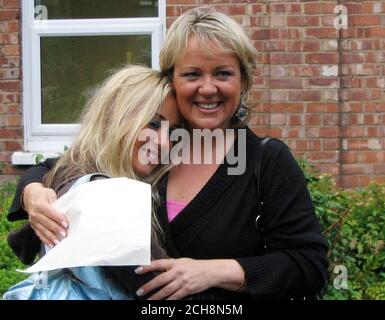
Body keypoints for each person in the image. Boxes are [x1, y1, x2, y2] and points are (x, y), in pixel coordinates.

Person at [7, 8, 328, 300]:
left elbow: (309, 265)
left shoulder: (263, 160)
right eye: (192, 74)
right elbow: (66, 166)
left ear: (243, 80)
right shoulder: (156, 145)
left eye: (222, 73)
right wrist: (33, 194)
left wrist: (216, 271)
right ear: (172, 79)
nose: (207, 87)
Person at [4, 64, 181, 299]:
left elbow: (47, 165)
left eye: (173, 132)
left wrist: (31, 188)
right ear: (114, 116)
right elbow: (161, 288)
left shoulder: (76, 166)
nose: (164, 143)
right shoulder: (103, 195)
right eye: (153, 123)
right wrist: (235, 274)